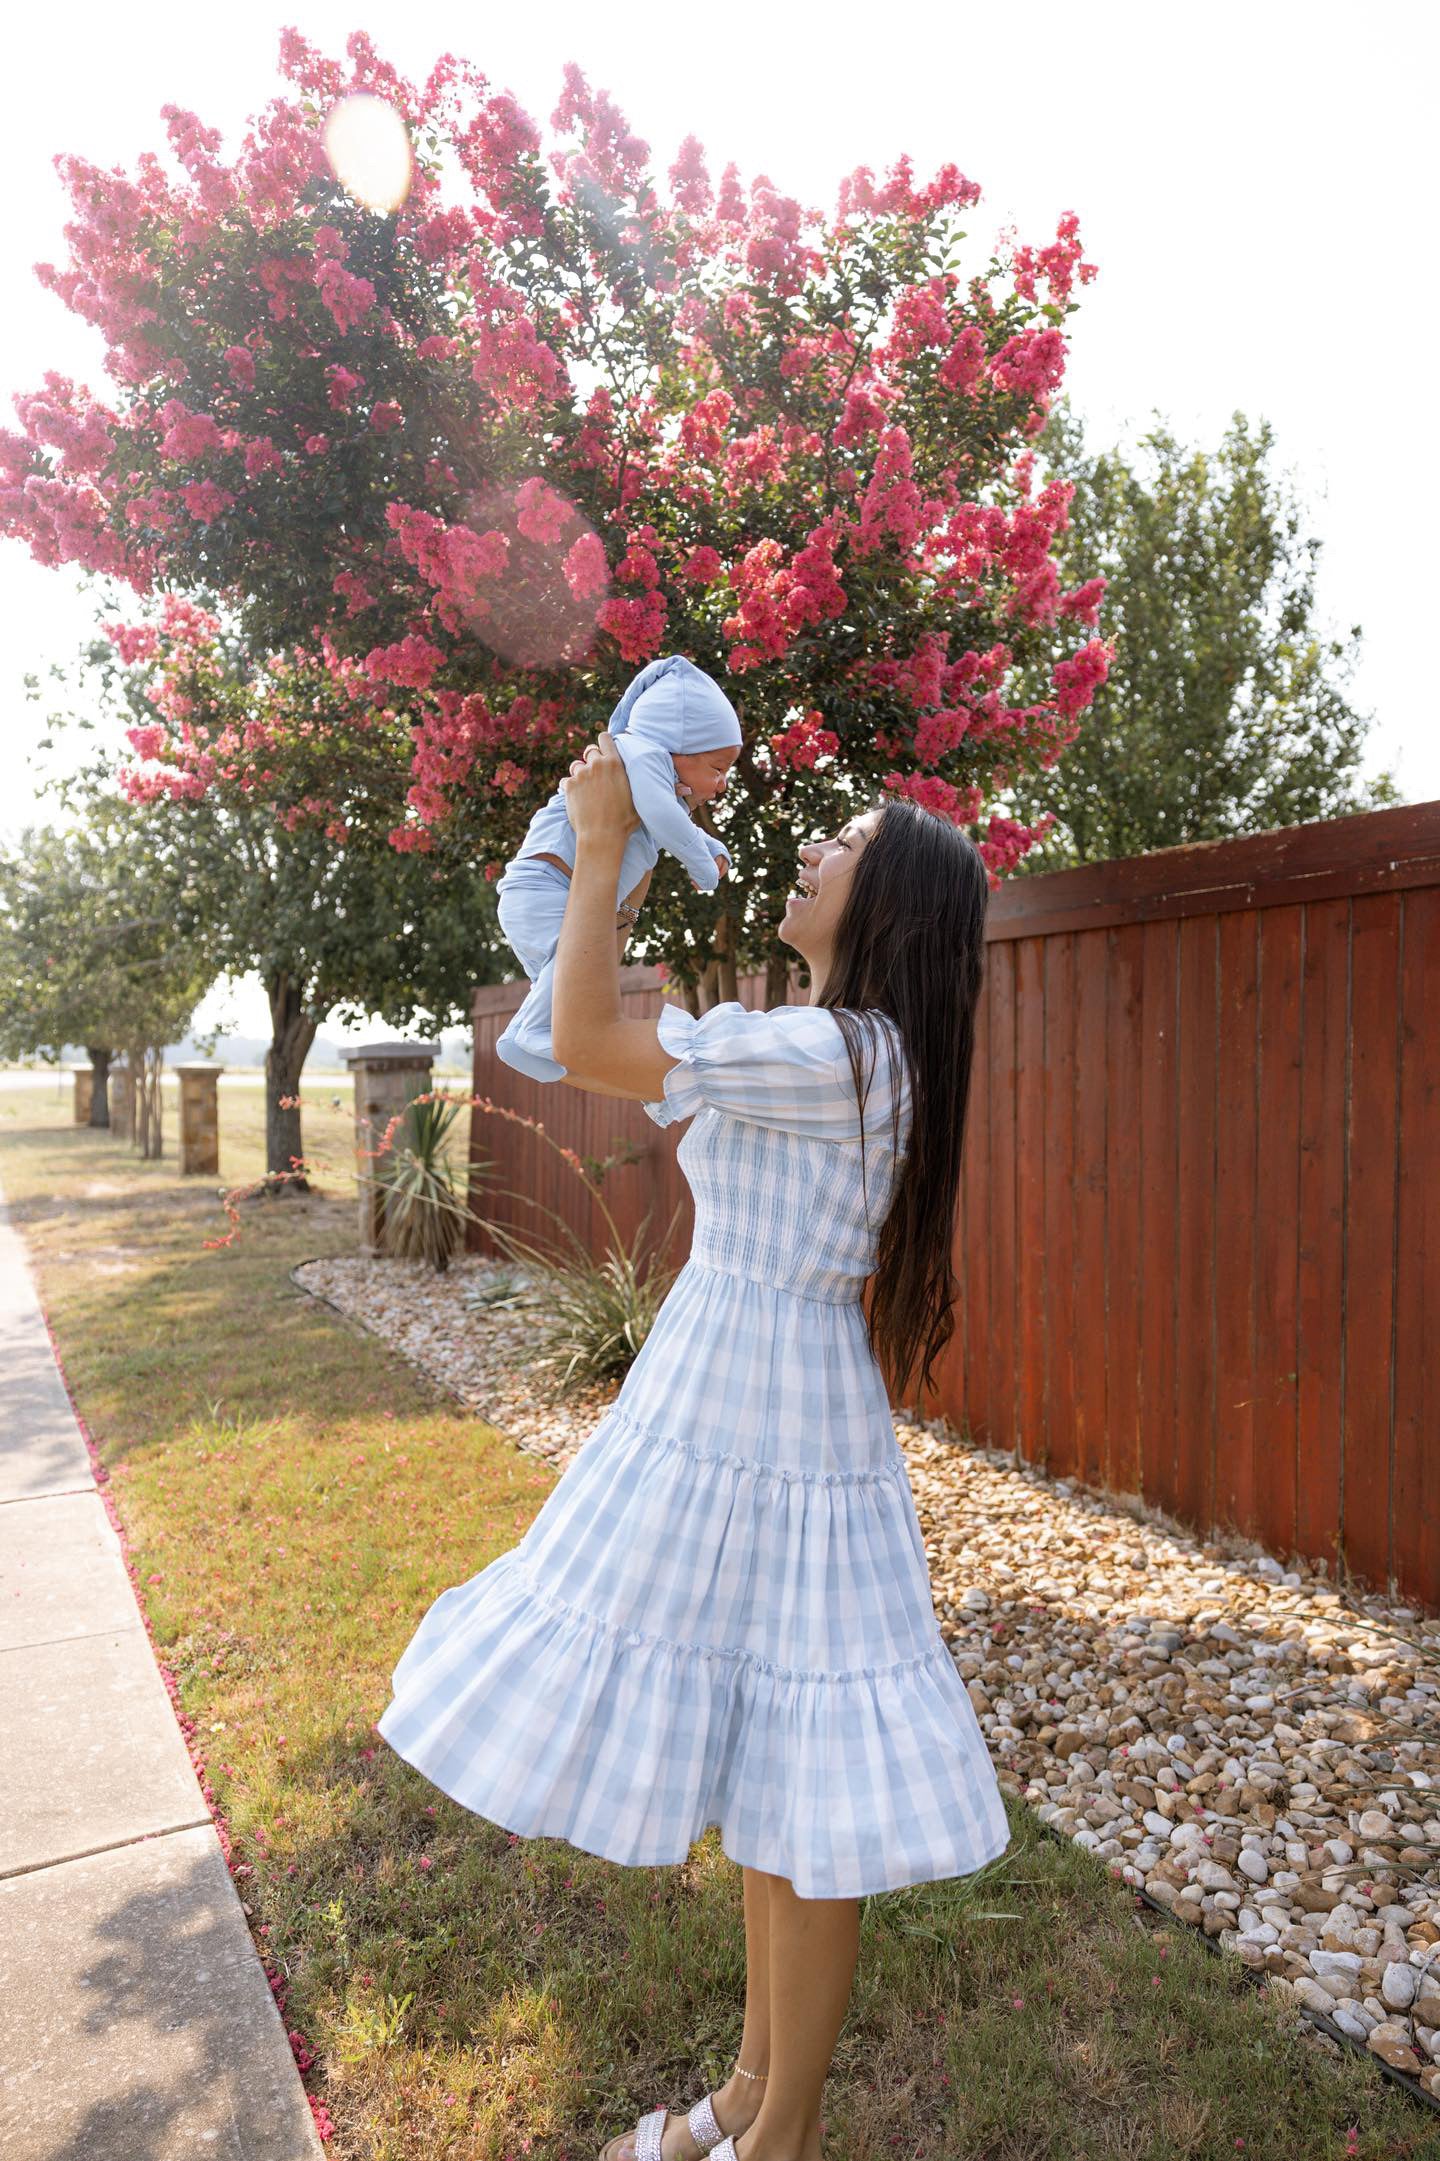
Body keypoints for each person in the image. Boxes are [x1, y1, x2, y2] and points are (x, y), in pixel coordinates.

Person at [376, 731, 1012, 2161]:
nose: (813, 851)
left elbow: (596, 1044)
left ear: (889, 900)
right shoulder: (832, 1047)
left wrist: (604, 845)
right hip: (748, 1389)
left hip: (764, 1406)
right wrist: (590, 874)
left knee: (806, 1790)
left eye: (842, 841)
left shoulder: (836, 1052)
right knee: (776, 1768)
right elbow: (597, 1034)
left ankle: (778, 2137)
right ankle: (745, 2098)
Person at [493, 654, 741, 1083]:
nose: (721, 785)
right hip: (543, 888)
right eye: (718, 769)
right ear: (676, 747)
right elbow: (665, 820)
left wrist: (711, 846)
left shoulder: (651, 774)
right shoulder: (642, 757)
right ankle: (532, 1031)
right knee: (576, 970)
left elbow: (671, 821)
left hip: (556, 894)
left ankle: (541, 1027)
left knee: (578, 974)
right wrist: (702, 866)